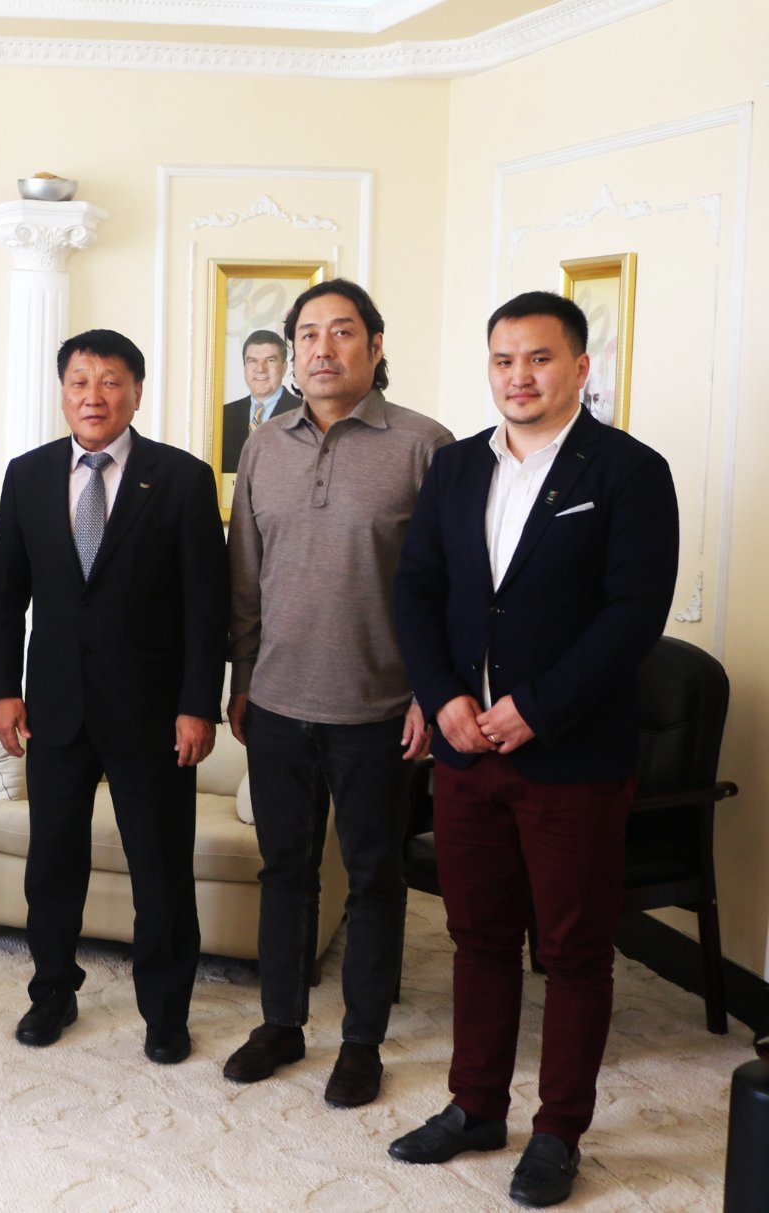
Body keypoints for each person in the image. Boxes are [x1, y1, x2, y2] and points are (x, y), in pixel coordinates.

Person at [388, 292, 678, 1208]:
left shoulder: (629, 470)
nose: (519, 376)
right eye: (504, 359)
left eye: (540, 358)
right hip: (465, 750)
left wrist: (535, 710)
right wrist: (443, 696)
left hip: (572, 758)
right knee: (476, 938)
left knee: (573, 951)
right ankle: (476, 1105)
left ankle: (559, 1130)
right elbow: (417, 590)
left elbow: (632, 616)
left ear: (580, 368)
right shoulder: (455, 467)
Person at [221, 278, 449, 1108]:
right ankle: (281, 1023)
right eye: (308, 334)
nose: (322, 349)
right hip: (278, 704)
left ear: (375, 346)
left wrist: (432, 694)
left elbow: (450, 586)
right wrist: (242, 679)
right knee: (284, 870)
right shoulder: (264, 446)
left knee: (373, 877)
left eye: (342, 332)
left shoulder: (425, 445)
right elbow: (244, 577)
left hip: (380, 712)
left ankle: (362, 1041)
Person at [0, 329, 226, 1061]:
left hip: (152, 711)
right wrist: (3, 690)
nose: (94, 396)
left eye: (111, 381)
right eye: (80, 381)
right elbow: (5, 594)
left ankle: (166, 1012)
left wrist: (198, 704)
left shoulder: (181, 478)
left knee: (160, 869)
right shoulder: (27, 475)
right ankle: (52, 992)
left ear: (137, 392)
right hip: (55, 706)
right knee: (52, 865)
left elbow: (206, 605)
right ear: (63, 391)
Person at [219, 329, 300, 472]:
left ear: (284, 367)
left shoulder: (304, 414)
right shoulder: (223, 415)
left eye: (270, 360)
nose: (261, 369)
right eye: (252, 361)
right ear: (244, 367)